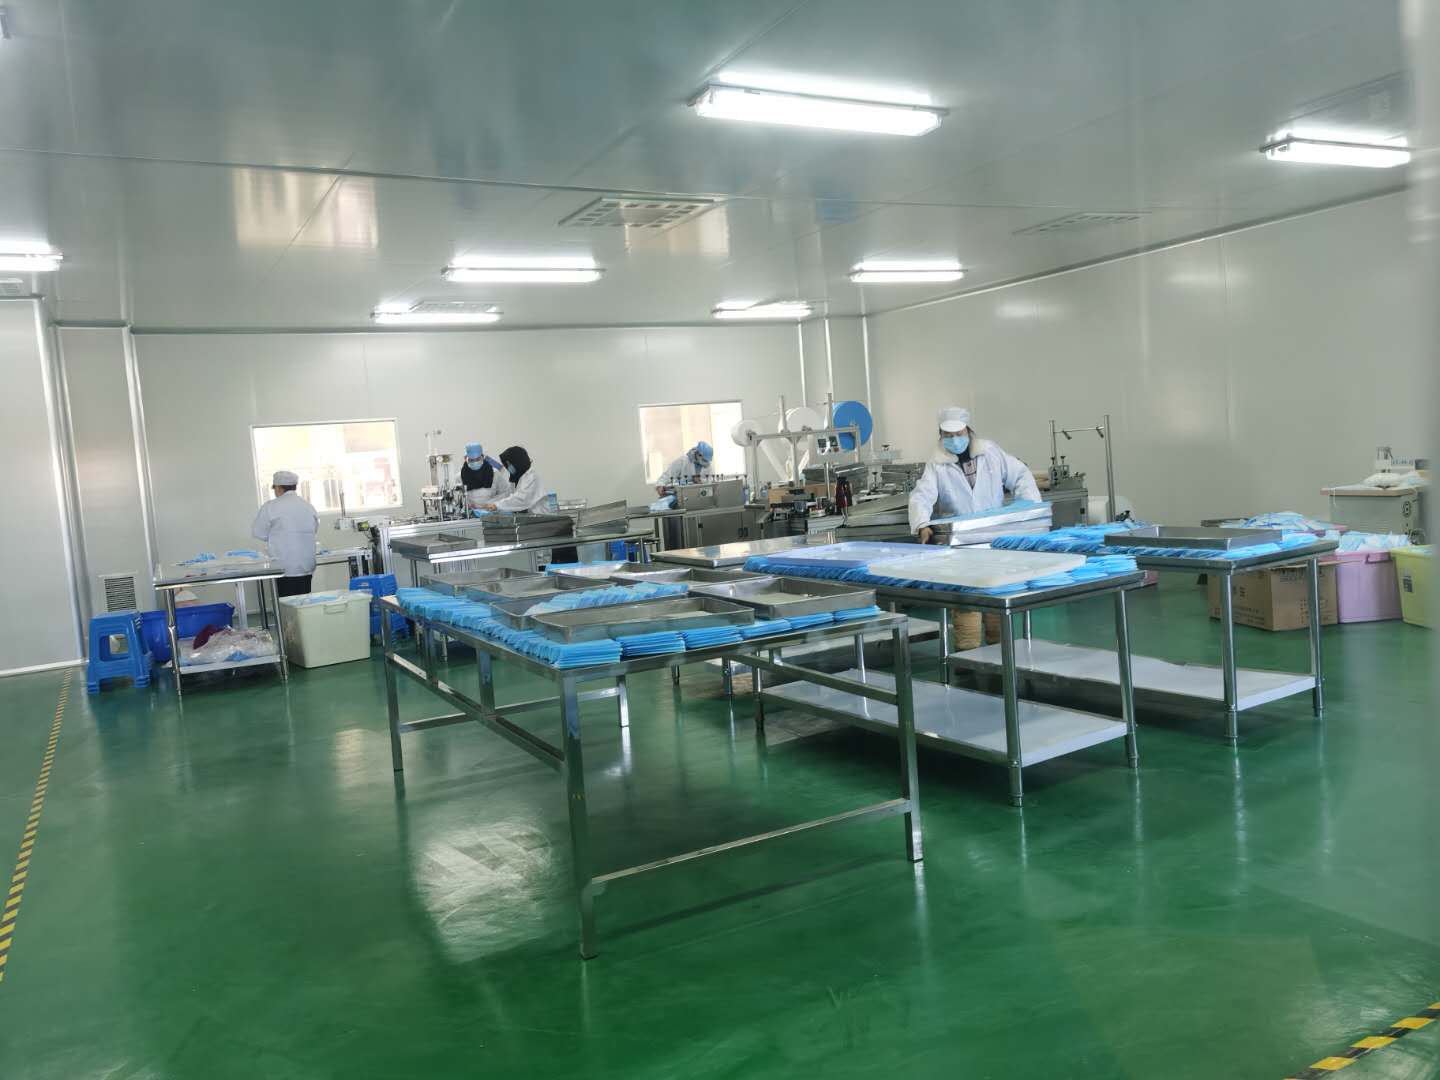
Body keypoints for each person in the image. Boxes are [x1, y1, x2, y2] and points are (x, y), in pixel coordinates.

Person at [908, 406, 1041, 650]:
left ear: (968, 431)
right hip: (962, 545)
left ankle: (999, 657)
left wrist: (1028, 511)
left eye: (958, 434)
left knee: (996, 601)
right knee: (967, 606)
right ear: (940, 435)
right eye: (948, 436)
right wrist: (922, 523)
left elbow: (1020, 475)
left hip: (995, 540)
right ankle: (967, 660)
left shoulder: (990, 452)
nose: (954, 440)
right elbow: (922, 495)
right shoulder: (937, 464)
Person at [251, 469, 320, 598]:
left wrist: (277, 537)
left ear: (278, 488)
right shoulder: (308, 506)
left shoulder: (271, 506)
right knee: (303, 601)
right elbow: (314, 530)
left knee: (286, 603)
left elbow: (259, 532)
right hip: (306, 565)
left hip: (284, 566)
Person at [479, 446, 546, 513]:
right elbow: (508, 496)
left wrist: (496, 505)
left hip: (540, 516)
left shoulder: (531, 477)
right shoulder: (516, 478)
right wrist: (487, 504)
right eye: (507, 465)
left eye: (509, 464)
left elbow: (520, 499)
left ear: (517, 462)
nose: (508, 467)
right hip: (528, 516)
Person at [458, 441, 510, 512]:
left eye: (477, 459)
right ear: (466, 459)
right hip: (470, 512)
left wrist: (492, 503)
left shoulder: (494, 473)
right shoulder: (460, 476)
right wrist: (467, 504)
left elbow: (506, 492)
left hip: (492, 511)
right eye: (471, 460)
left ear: (482, 457)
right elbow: (458, 498)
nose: (475, 462)